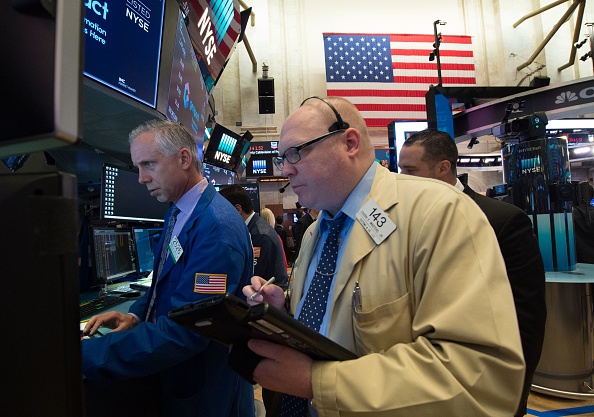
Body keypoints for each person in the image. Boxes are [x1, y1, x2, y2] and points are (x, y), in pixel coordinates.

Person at [240, 96, 525, 417]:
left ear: (349, 142)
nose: (286, 170)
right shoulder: (317, 232)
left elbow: (477, 376)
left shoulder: (439, 212)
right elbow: (330, 326)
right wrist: (284, 313)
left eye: (296, 153)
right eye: (282, 158)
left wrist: (317, 382)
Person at [81, 120, 255, 417]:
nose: (141, 178)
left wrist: (86, 354)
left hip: (203, 390)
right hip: (179, 377)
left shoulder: (215, 230)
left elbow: (188, 330)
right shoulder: (179, 212)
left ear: (184, 159)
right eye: (138, 167)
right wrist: (134, 315)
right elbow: (164, 280)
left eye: (148, 164)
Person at [398, 128, 547, 417]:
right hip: (424, 380)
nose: (401, 178)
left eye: (410, 170)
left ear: (443, 168)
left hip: (486, 382)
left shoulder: (502, 220)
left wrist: (516, 389)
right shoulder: (401, 220)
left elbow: (527, 315)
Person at [220, 184, 289, 290]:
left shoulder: (259, 235)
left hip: (266, 299)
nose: (221, 218)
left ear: (237, 209)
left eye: (222, 212)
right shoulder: (253, 228)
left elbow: (254, 277)